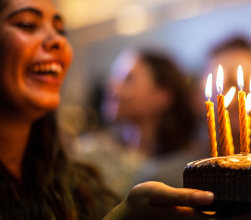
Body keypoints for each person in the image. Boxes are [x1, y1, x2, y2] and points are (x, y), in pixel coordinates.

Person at [0, 0, 213, 219]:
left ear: (163, 95)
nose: (58, 41)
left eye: (60, 30)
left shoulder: (74, 181)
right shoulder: (91, 156)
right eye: (27, 24)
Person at [74, 50, 207, 196]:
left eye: (128, 79)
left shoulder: (186, 167)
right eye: (114, 78)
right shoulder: (88, 154)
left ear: (163, 95)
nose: (112, 87)